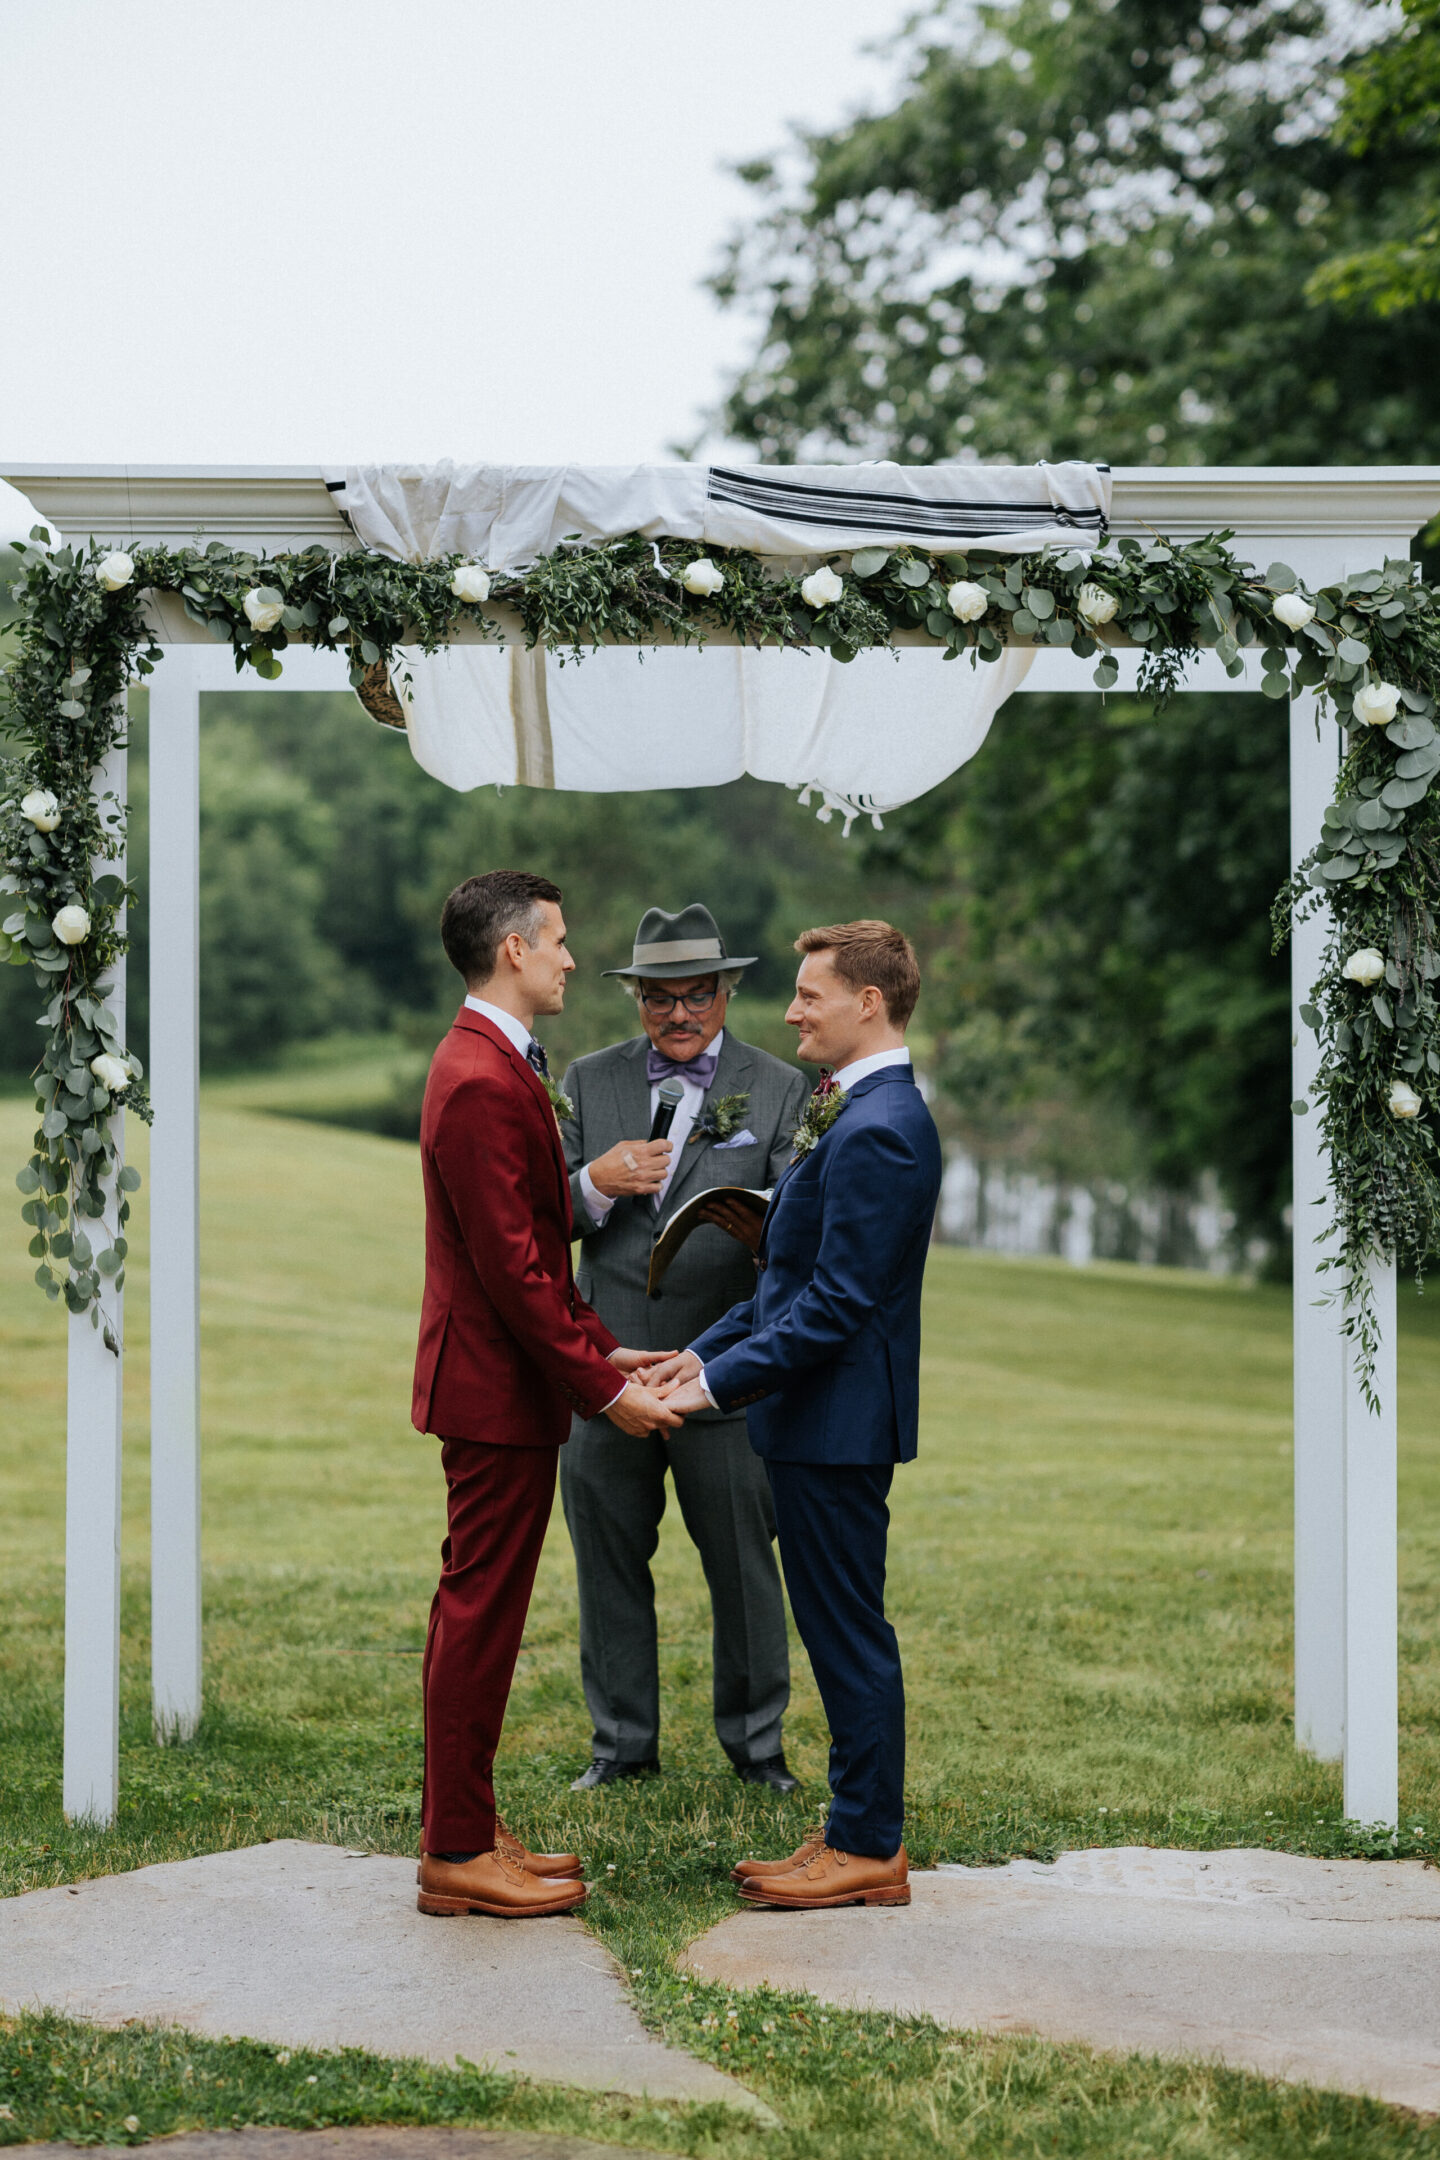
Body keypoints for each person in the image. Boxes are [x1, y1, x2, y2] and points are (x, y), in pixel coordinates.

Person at [650, 920, 941, 1911]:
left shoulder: (884, 1129)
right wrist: (699, 1353)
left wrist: (713, 1389)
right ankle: (855, 1827)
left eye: (811, 994)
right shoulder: (853, 1112)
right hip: (813, 1420)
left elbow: (837, 1305)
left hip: (836, 1424)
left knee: (848, 1634)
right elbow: (789, 1279)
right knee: (835, 1626)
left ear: (870, 1002)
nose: (791, 1011)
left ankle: (866, 1847)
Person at [411, 870, 682, 1921]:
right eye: (560, 941)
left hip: (503, 1380)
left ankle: (463, 1824)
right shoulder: (479, 1076)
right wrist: (599, 1387)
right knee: (478, 1615)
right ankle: (457, 1851)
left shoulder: (493, 1059)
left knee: (476, 1611)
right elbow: (512, 1273)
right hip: (493, 1391)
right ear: (513, 950)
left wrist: (599, 1351)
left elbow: (525, 1241)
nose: (573, 958)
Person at [558, 904, 810, 1794]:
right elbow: (531, 1217)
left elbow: (806, 1221)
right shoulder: (588, 1083)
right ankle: (622, 1747)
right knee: (610, 1561)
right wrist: (594, 1183)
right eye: (658, 998)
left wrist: (764, 1227)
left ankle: (758, 1749)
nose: (678, 1014)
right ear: (634, 998)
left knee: (743, 1566)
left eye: (696, 995)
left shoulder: (782, 1087)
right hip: (609, 1373)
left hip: (722, 1376)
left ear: (728, 991)